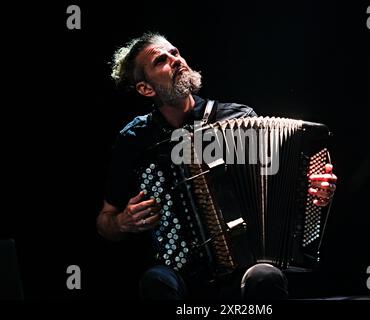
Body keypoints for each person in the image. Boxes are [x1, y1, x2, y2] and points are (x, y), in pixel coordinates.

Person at [96, 32, 337, 300]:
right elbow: (105, 222)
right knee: (156, 282)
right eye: (161, 60)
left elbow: (282, 192)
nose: (175, 60)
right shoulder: (135, 139)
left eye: (175, 52)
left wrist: (314, 193)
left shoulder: (238, 118)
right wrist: (121, 222)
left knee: (266, 277)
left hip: (245, 269)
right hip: (180, 275)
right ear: (146, 89)